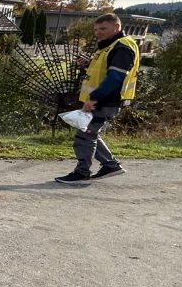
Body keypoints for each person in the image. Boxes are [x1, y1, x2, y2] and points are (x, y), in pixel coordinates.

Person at [55, 13, 140, 184]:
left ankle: (82, 173)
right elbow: (104, 71)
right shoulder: (110, 46)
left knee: (84, 135)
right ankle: (110, 165)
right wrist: (89, 64)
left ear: (116, 27)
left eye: (103, 28)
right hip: (102, 99)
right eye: (95, 29)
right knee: (91, 133)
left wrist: (95, 98)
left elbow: (115, 77)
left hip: (105, 100)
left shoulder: (122, 47)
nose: (98, 33)